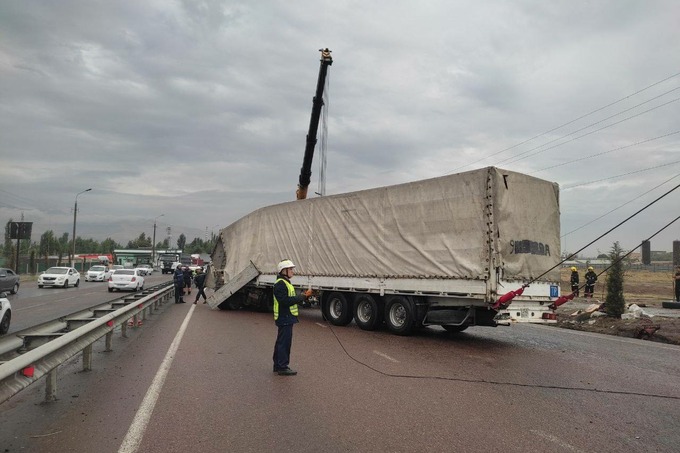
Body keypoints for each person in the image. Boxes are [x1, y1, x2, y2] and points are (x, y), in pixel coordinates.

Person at [272, 259, 312, 376]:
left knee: (281, 342)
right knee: (284, 343)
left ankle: (278, 365)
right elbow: (285, 301)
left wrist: (303, 298)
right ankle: (282, 367)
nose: (292, 271)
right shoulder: (280, 284)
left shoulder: (285, 282)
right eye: (290, 269)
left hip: (286, 316)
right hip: (284, 317)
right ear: (283, 271)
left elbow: (290, 298)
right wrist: (302, 296)